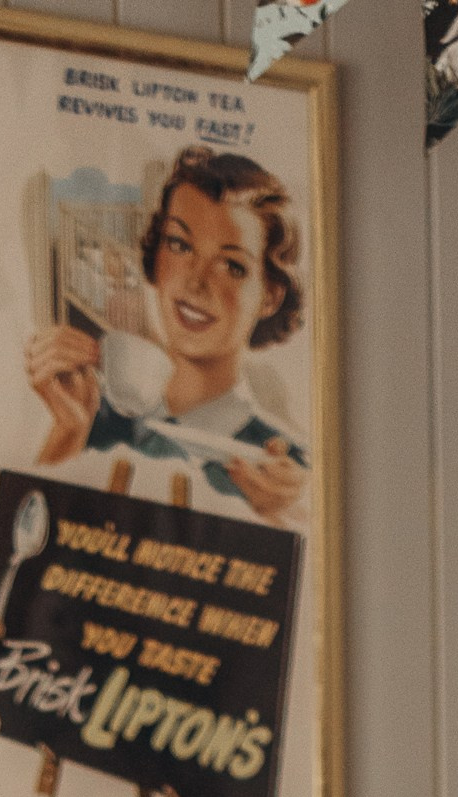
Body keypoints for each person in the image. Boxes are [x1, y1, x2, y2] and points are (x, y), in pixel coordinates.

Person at [24, 144, 308, 525]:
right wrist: (68, 431)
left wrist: (288, 519)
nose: (195, 281)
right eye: (179, 244)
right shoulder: (94, 419)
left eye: (231, 265)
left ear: (270, 296)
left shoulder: (284, 473)